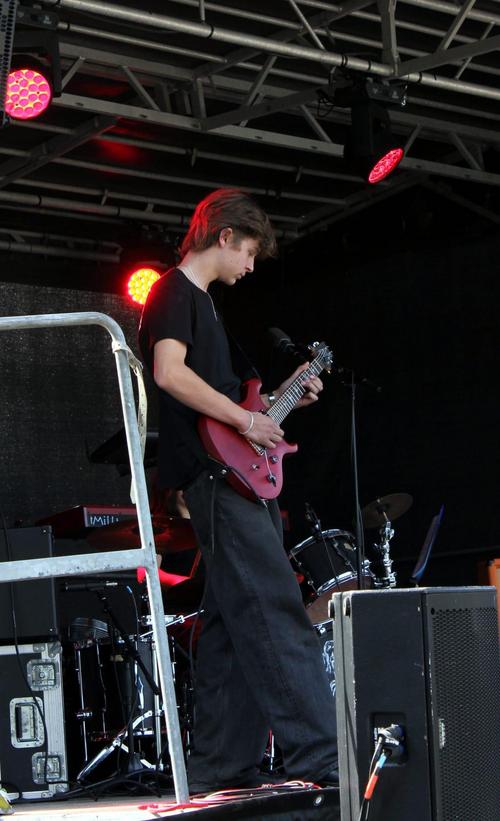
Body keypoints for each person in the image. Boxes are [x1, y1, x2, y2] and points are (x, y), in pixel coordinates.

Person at [138, 188, 338, 793]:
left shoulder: (207, 306)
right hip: (217, 478)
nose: (251, 266)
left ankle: (220, 768)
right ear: (223, 235)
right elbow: (169, 373)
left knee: (229, 623)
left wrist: (278, 401)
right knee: (276, 611)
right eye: (248, 251)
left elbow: (232, 403)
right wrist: (250, 421)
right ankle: (322, 761)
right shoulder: (172, 292)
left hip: (235, 476)